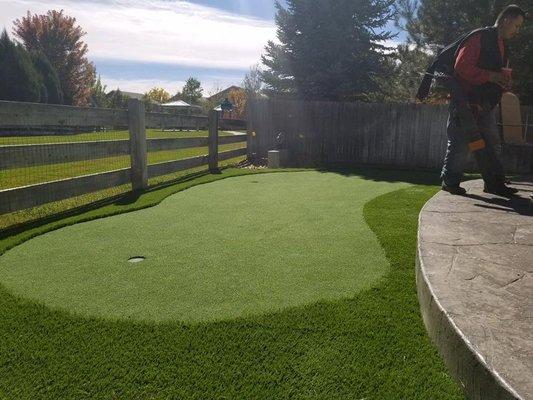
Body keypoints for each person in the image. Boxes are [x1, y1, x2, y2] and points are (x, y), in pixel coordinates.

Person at [438, 5, 526, 196]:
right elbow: (461, 67)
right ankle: (450, 182)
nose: (517, 31)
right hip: (464, 103)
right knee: (461, 143)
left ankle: (494, 184)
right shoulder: (480, 38)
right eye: (517, 26)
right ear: (506, 20)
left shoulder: (502, 44)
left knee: (491, 142)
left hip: (485, 105)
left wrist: (502, 84)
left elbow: (495, 75)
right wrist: (491, 76)